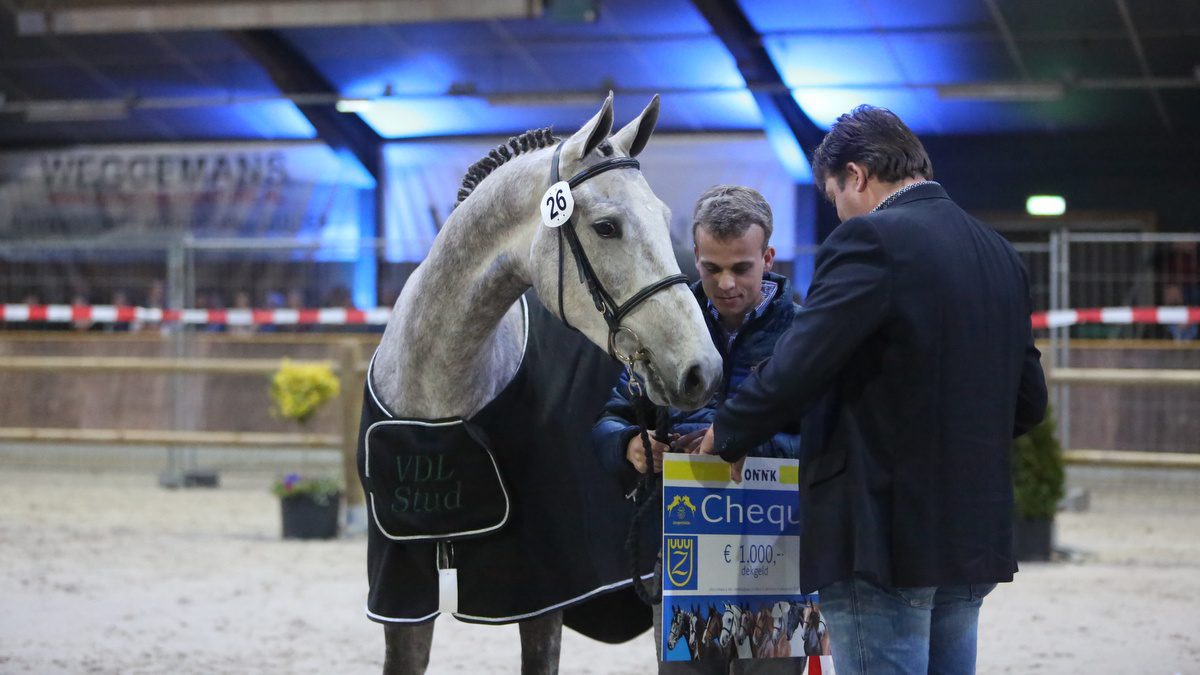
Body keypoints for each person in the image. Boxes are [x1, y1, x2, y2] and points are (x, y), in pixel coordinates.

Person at [698, 105, 1048, 675]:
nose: (838, 215)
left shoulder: (872, 239)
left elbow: (798, 364)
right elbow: (1029, 402)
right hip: (971, 529)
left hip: (882, 533)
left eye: (835, 196)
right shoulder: (1000, 254)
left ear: (856, 175)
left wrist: (729, 430)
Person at [591, 185, 803, 674]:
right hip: (686, 552)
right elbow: (609, 419)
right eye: (711, 268)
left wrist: (756, 449)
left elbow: (832, 444)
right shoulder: (665, 332)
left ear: (767, 257)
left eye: (741, 268)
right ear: (695, 258)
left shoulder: (804, 334)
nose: (725, 282)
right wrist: (629, 447)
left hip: (776, 557)